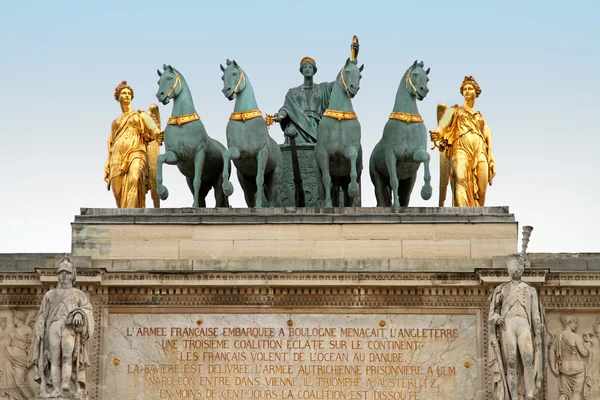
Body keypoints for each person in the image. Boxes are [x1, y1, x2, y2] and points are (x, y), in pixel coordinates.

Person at [28, 257, 94, 397]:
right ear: (58, 275)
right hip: (53, 326)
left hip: (69, 327)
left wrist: (79, 314)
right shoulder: (49, 295)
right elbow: (42, 314)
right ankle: (57, 388)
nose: (64, 276)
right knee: (54, 358)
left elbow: (87, 310)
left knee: (67, 355)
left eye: (68, 273)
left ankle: (66, 384)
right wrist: (40, 325)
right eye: (61, 273)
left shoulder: (78, 294)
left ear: (72, 276)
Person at [274, 42, 359, 144]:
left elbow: (340, 80)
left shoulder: (323, 88)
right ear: (301, 71)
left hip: (318, 127)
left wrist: (352, 60)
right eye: (305, 67)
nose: (307, 69)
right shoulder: (293, 92)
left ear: (314, 70)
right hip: (299, 127)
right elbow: (286, 108)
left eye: (310, 67)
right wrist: (280, 115)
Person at [430, 76, 496, 206]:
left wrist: (491, 157)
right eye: (465, 89)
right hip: (460, 148)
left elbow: (487, 136)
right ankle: (462, 218)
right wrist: (437, 132)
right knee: (460, 179)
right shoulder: (454, 110)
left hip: (480, 150)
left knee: (482, 189)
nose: (467, 91)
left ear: (476, 92)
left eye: (470, 88)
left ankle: (477, 219)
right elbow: (442, 125)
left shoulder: (480, 116)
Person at [488, 253, 544, 400]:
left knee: (528, 358)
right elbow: (493, 312)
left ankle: (530, 393)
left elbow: (535, 315)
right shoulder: (502, 289)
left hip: (524, 324)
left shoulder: (530, 290)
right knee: (511, 361)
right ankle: (512, 396)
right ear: (509, 269)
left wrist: (537, 334)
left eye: (519, 267)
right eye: (513, 267)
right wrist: (496, 316)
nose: (516, 270)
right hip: (508, 325)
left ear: (522, 269)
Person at [104, 81, 162, 208]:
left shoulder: (140, 114)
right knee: (117, 191)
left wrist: (157, 132)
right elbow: (111, 144)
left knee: (135, 178)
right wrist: (108, 163)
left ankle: (132, 216)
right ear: (118, 97)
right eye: (124, 93)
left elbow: (152, 128)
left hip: (137, 151)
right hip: (117, 157)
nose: (127, 95)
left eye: (129, 93)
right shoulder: (115, 123)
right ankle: (124, 220)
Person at [549, 315, 591, 400]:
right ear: (569, 323)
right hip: (578, 370)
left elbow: (551, 351)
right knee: (576, 393)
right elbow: (584, 353)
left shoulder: (558, 336)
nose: (576, 326)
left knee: (564, 393)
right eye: (575, 323)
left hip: (564, 369)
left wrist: (553, 367)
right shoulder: (575, 337)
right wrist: (588, 346)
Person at [0, 311, 34, 400]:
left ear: (19, 318)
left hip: (21, 360)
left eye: (14, 318)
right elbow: (6, 342)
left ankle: (33, 398)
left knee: (20, 383)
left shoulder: (28, 329)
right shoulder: (12, 330)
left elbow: (31, 344)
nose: (13, 320)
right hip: (9, 359)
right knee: (11, 385)